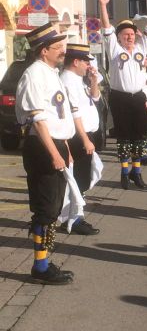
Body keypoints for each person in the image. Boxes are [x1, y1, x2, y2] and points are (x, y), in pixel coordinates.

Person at [15, 23, 75, 285]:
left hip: (55, 144)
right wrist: (54, 153)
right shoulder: (33, 75)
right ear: (43, 51)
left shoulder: (51, 72)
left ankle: (45, 261)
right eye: (58, 47)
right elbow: (39, 121)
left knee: (53, 207)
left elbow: (58, 116)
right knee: (44, 207)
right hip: (42, 146)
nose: (63, 51)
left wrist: (66, 149)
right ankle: (40, 266)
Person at [98, 0, 147, 190]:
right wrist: (103, 5)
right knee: (124, 137)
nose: (130, 37)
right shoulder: (114, 49)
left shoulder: (141, 48)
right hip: (120, 98)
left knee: (144, 133)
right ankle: (125, 173)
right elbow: (106, 26)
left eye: (132, 34)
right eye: (125, 34)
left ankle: (137, 170)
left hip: (138, 98)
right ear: (118, 37)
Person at [60, 43, 101, 235]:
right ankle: (73, 219)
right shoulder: (67, 81)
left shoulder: (78, 79)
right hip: (78, 136)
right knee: (76, 180)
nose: (88, 65)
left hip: (86, 135)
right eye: (86, 61)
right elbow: (74, 114)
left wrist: (93, 80)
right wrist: (84, 139)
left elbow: (95, 98)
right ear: (76, 62)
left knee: (82, 179)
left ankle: (75, 216)